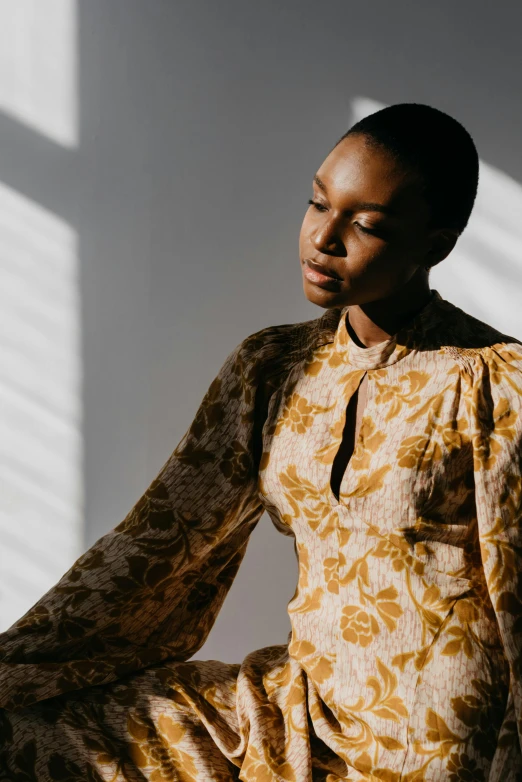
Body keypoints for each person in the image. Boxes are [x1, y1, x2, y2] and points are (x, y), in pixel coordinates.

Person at [0, 102, 521, 781]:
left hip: (432, 739)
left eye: (365, 226)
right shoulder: (270, 368)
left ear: (438, 243)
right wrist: (16, 665)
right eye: (316, 204)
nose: (323, 239)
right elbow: (156, 545)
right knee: (28, 732)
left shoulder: (498, 384)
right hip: (293, 706)